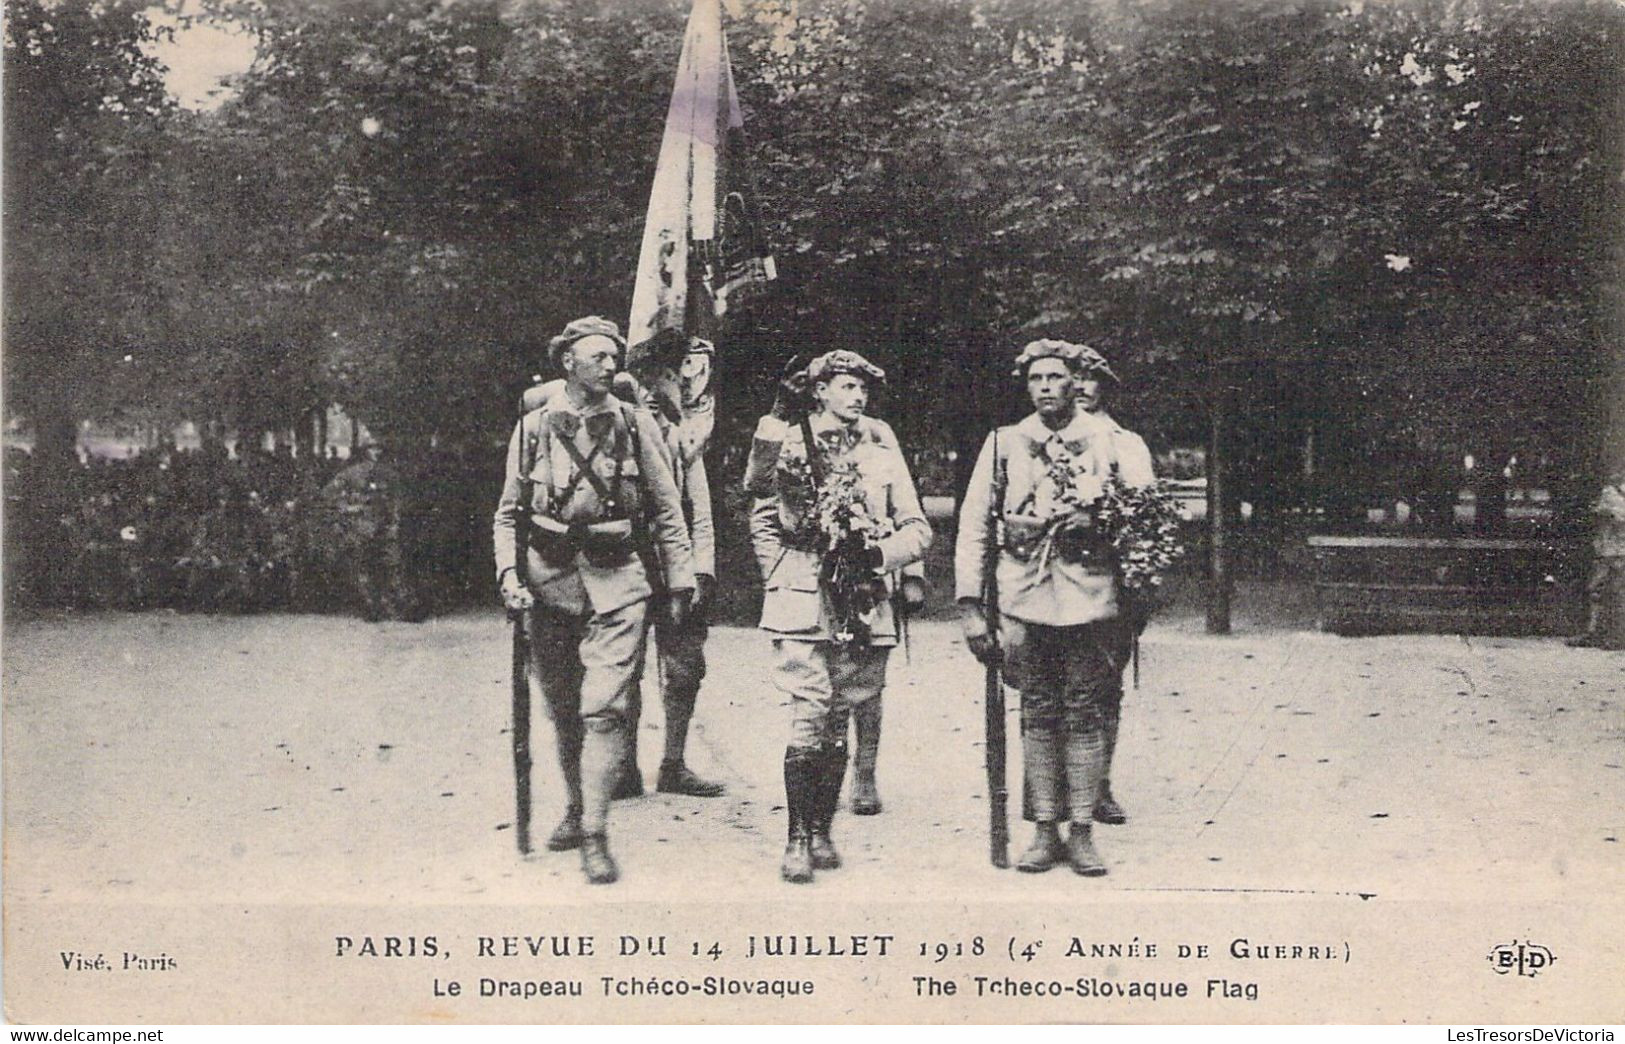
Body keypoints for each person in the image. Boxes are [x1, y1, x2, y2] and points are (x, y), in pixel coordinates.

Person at [493, 316, 696, 885]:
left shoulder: (632, 423)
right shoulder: (532, 428)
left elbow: (665, 508)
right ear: (568, 363)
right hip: (548, 582)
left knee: (603, 710)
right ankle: (578, 805)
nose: (611, 365)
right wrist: (509, 572)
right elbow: (508, 513)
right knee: (563, 709)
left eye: (614, 357)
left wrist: (680, 582)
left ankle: (595, 834)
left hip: (620, 582)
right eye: (599, 357)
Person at [953, 339, 1155, 876]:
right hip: (1023, 600)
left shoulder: (1111, 445)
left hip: (1091, 600)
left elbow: (1145, 522)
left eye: (1056, 378)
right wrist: (972, 609)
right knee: (1037, 712)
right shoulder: (1004, 445)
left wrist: (1104, 528)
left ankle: (1083, 831)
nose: (1045, 387)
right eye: (1035, 378)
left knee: (1086, 712)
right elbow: (974, 527)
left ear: (1076, 383)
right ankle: (1044, 829)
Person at [748, 349, 932, 883]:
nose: (857, 397)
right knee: (809, 710)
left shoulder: (880, 449)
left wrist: (879, 558)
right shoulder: (787, 439)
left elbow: (917, 527)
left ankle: (824, 826)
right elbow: (757, 500)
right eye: (845, 386)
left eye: (862, 389)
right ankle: (797, 839)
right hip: (803, 593)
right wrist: (778, 570)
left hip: (863, 597)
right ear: (820, 390)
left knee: (842, 712)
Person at [521, 333, 725, 798]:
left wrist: (700, 570)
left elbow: (695, 508)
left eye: (668, 382)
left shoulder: (680, 438)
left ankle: (673, 761)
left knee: (685, 667)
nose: (658, 393)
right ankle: (622, 768)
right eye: (650, 383)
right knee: (620, 670)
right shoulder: (615, 429)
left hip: (673, 565)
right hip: (622, 558)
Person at [320, 438, 417, 621]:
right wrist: (347, 508)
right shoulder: (351, 473)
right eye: (372, 448)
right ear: (364, 451)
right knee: (363, 567)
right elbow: (328, 494)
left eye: (379, 448)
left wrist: (395, 523)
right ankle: (371, 607)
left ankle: (403, 606)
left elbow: (398, 501)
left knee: (393, 566)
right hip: (360, 527)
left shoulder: (390, 474)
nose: (377, 451)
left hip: (385, 526)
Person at [1568, 473, 1625, 649]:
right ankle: (1595, 632)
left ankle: (1616, 635)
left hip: (1616, 551)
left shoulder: (1612, 493)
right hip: (1607, 549)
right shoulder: (1610, 492)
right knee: (1597, 591)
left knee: (1617, 592)